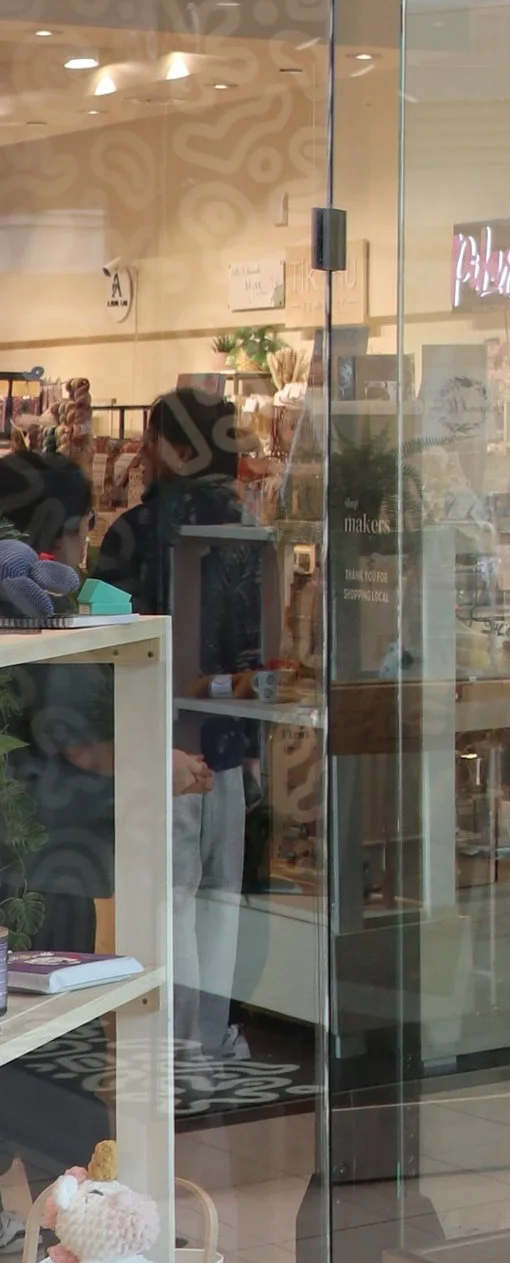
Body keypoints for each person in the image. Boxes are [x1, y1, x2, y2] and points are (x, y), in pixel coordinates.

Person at [95, 393, 258, 1059]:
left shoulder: (133, 532)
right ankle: (211, 1041)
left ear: (170, 446)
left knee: (173, 903)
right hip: (226, 737)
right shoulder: (244, 528)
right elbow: (256, 648)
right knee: (222, 903)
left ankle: (173, 1047)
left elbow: (108, 649)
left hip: (160, 737)